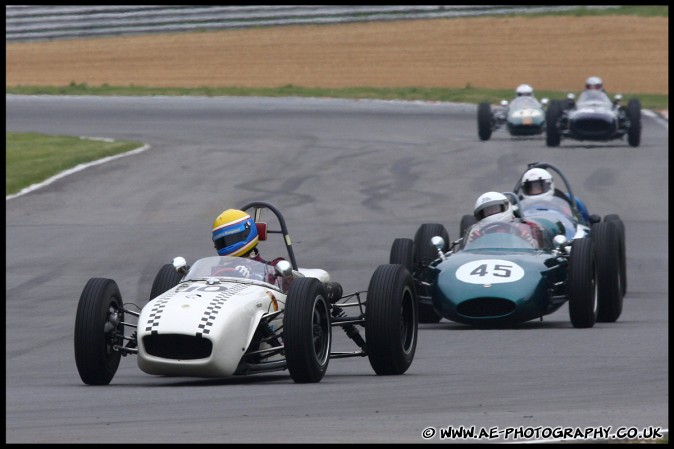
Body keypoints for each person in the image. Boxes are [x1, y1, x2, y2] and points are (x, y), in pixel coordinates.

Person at [211, 208, 286, 281]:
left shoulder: (270, 267)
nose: (226, 244)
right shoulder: (218, 270)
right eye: (221, 242)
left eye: (231, 239)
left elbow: (284, 277)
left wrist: (254, 277)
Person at [470, 191, 545, 247]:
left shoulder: (523, 227)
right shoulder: (476, 233)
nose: (491, 213)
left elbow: (538, 253)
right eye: (486, 212)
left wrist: (528, 242)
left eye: (494, 209)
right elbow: (467, 255)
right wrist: (474, 243)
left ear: (506, 206)